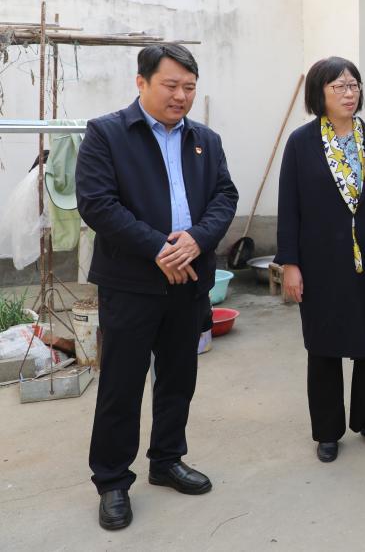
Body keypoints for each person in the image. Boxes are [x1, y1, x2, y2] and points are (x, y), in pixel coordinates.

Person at [76, 44, 238, 531]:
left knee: (178, 377)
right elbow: (97, 203)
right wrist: (158, 249)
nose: (181, 96)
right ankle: (112, 480)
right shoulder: (107, 133)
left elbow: (225, 195)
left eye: (189, 87)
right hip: (131, 282)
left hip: (189, 279)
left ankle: (167, 460)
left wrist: (197, 239)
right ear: (141, 82)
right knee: (121, 383)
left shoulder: (205, 139)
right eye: (171, 85)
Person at [276, 56, 365, 463]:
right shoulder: (301, 144)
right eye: (339, 86)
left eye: (353, 85)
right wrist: (290, 264)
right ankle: (327, 430)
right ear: (319, 93)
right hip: (320, 262)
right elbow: (289, 208)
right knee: (323, 345)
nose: (349, 93)